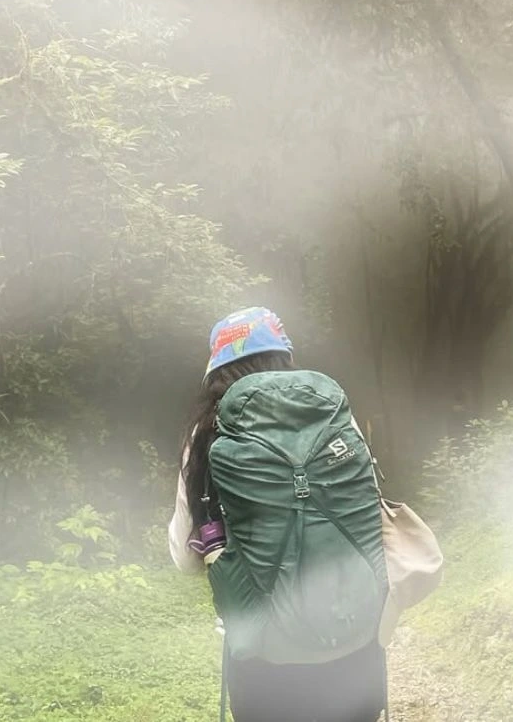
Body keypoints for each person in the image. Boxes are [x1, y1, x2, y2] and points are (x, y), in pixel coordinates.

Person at [168, 306, 388, 722]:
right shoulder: (336, 417)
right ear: (285, 356)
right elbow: (371, 515)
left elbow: (184, 558)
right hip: (356, 649)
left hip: (265, 670)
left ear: (216, 368)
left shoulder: (206, 434)